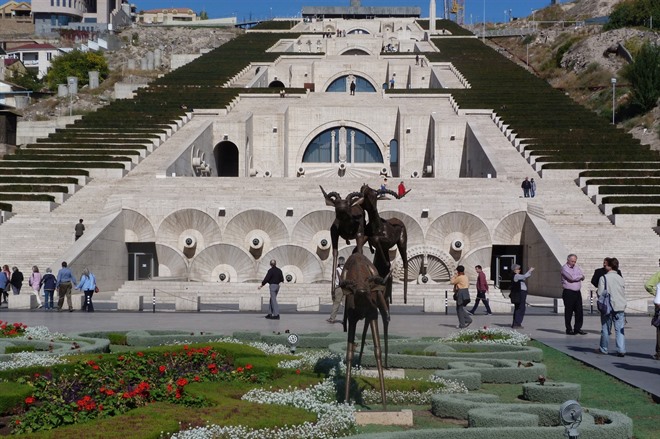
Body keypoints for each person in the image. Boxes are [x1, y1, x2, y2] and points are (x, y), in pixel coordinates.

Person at [596, 258, 626, 357]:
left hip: (608, 307)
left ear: (610, 266)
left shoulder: (603, 278)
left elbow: (600, 293)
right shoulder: (620, 278)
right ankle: (621, 349)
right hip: (620, 305)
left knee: (605, 328)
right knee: (620, 329)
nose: (604, 267)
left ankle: (604, 348)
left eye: (605, 265)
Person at [561, 253, 586, 335]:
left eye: (575, 261)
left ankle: (577, 328)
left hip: (577, 292)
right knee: (569, 311)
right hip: (569, 292)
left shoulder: (577, 267)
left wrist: (579, 276)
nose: (573, 263)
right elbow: (571, 278)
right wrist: (579, 277)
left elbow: (583, 275)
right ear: (568, 260)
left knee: (579, 311)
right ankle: (569, 329)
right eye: (572, 261)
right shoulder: (564, 268)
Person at [644, 259, 660, 360]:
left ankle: (659, 352)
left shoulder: (658, 274)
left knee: (659, 328)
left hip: (659, 303)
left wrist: (655, 293)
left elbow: (647, 285)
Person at [511, 264, 534, 329]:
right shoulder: (516, 275)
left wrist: (530, 271)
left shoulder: (517, 276)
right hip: (520, 293)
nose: (519, 270)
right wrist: (530, 270)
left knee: (519, 308)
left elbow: (525, 276)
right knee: (520, 308)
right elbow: (525, 276)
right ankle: (517, 323)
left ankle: (516, 323)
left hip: (521, 293)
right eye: (518, 269)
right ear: (515, 270)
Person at [327, 256, 345, 323]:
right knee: (345, 305)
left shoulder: (337, 269)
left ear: (339, 262)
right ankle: (344, 319)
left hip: (339, 288)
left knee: (336, 303)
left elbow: (334, 279)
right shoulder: (347, 270)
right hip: (345, 288)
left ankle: (332, 318)